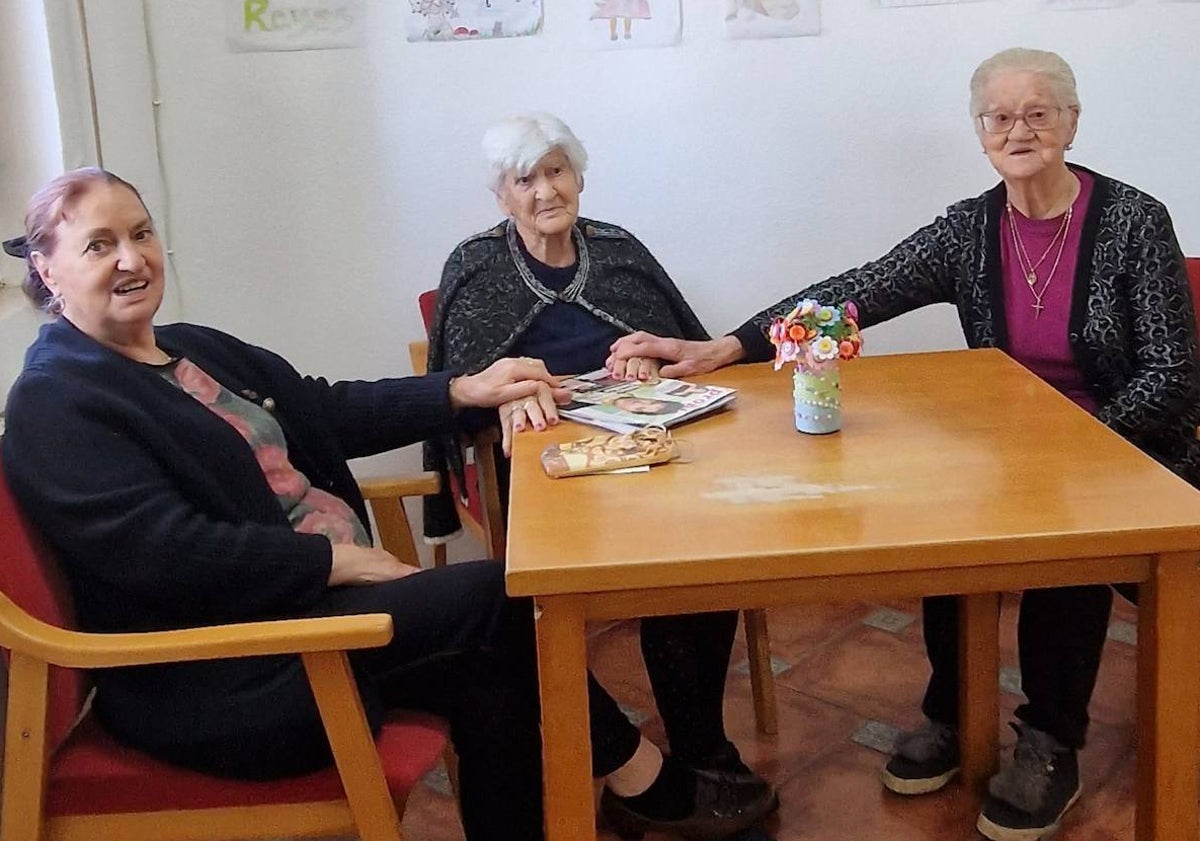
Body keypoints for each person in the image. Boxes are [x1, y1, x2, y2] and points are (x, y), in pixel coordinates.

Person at [0, 168, 775, 841]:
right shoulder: (57, 402)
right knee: (496, 596)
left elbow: (322, 407)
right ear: (47, 267)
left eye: (141, 232)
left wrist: (462, 390)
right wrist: (334, 559)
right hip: (227, 671)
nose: (133, 258)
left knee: (492, 669)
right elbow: (164, 555)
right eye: (100, 245)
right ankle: (647, 780)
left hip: (307, 621)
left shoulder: (188, 346)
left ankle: (629, 792)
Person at [606, 47, 1199, 841]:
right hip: (1015, 448)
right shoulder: (970, 227)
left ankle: (1052, 738)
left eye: (1038, 112)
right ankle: (951, 713)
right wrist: (729, 345)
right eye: (1000, 116)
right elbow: (859, 289)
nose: (1018, 129)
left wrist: (1083, 443)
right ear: (980, 132)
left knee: (1068, 536)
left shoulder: (1133, 221)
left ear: (1070, 121)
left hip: (1128, 445)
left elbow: (1175, 374)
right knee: (949, 518)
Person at [423, 112, 776, 831]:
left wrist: (647, 357)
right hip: (546, 462)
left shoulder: (617, 249)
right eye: (527, 179)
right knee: (633, 566)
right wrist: (513, 394)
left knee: (702, 560)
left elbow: (684, 344)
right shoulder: (474, 265)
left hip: (647, 446)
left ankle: (702, 746)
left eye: (558, 171)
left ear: (579, 176)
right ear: (503, 196)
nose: (546, 190)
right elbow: (462, 383)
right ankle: (640, 763)